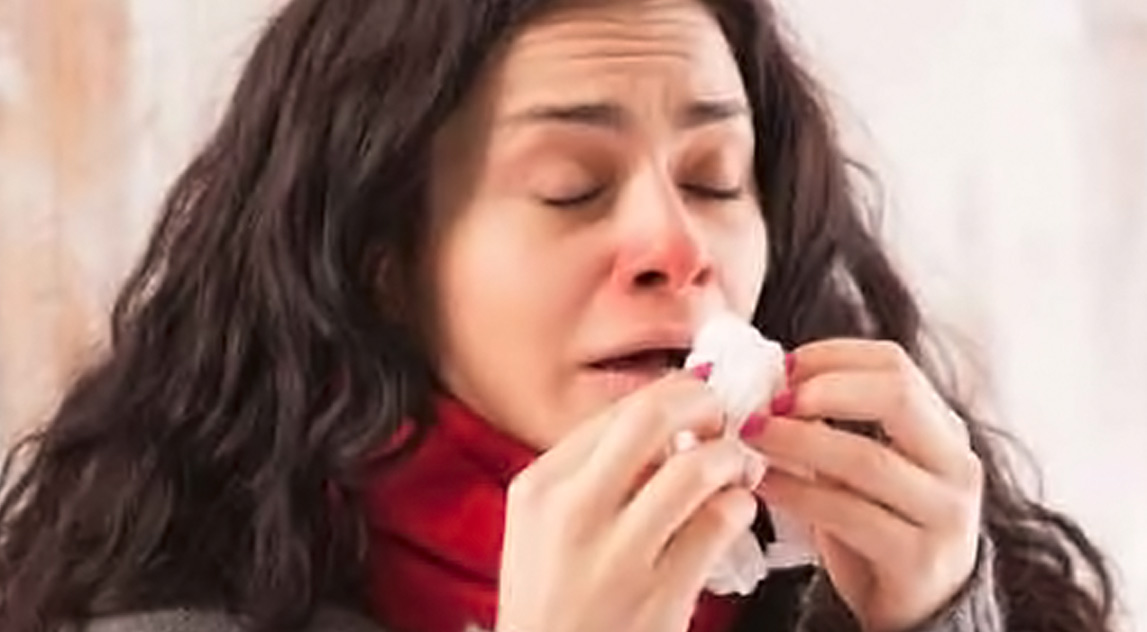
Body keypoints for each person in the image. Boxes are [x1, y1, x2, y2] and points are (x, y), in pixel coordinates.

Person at [0, 0, 1118, 631]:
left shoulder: (861, 571)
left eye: (719, 176)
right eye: (569, 187)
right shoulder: (176, 611)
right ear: (384, 261)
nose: (679, 250)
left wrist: (942, 616)